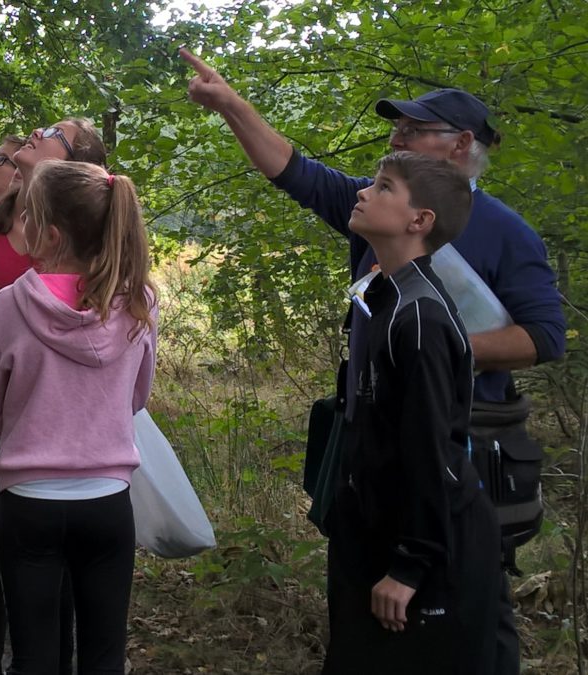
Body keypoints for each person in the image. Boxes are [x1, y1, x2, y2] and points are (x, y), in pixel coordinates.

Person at [181, 48, 567, 673]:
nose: (397, 137)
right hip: (373, 457)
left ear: (461, 144)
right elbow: (295, 171)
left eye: (413, 131)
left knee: (463, 628)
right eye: (396, 129)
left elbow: (547, 337)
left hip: (457, 452)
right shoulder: (378, 208)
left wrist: (424, 354)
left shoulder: (503, 233)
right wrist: (230, 105)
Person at [0, 159, 157, 674]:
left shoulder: (3, 310)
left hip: (30, 505)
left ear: (49, 235)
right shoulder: (140, 302)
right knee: (104, 655)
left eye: (26, 213)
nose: (18, 221)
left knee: (34, 656)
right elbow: (137, 397)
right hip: (108, 501)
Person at [0, 120, 106, 674]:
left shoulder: (84, 223)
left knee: (53, 571)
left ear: (75, 159)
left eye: (55, 130)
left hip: (56, 414)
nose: (36, 130)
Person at [323, 151, 501, 673]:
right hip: (373, 532)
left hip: (425, 551)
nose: (362, 192)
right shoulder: (382, 294)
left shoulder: (419, 317)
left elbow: (433, 450)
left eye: (383, 187)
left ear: (419, 221)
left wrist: (410, 565)